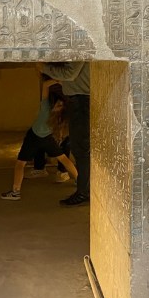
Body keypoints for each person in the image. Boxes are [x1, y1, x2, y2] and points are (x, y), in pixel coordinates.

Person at [1, 77, 77, 201]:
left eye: (58, 104)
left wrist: (57, 80)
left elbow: (45, 85)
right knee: (63, 159)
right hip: (48, 138)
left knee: (20, 163)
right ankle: (80, 181)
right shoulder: (61, 118)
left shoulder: (46, 108)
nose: (58, 104)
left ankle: (15, 192)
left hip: (34, 136)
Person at [36, 61, 90, 206]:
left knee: (81, 149)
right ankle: (84, 190)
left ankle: (84, 192)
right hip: (78, 99)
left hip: (81, 100)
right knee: (80, 149)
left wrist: (43, 68)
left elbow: (70, 74)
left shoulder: (79, 50)